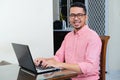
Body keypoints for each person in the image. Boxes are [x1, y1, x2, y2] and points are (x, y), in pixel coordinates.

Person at [34, 2, 102, 80]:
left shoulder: (93, 37)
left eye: (79, 15)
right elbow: (58, 57)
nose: (76, 18)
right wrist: (45, 60)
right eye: (72, 15)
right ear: (69, 18)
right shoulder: (68, 36)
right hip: (68, 77)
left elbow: (89, 67)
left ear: (86, 17)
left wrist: (59, 64)